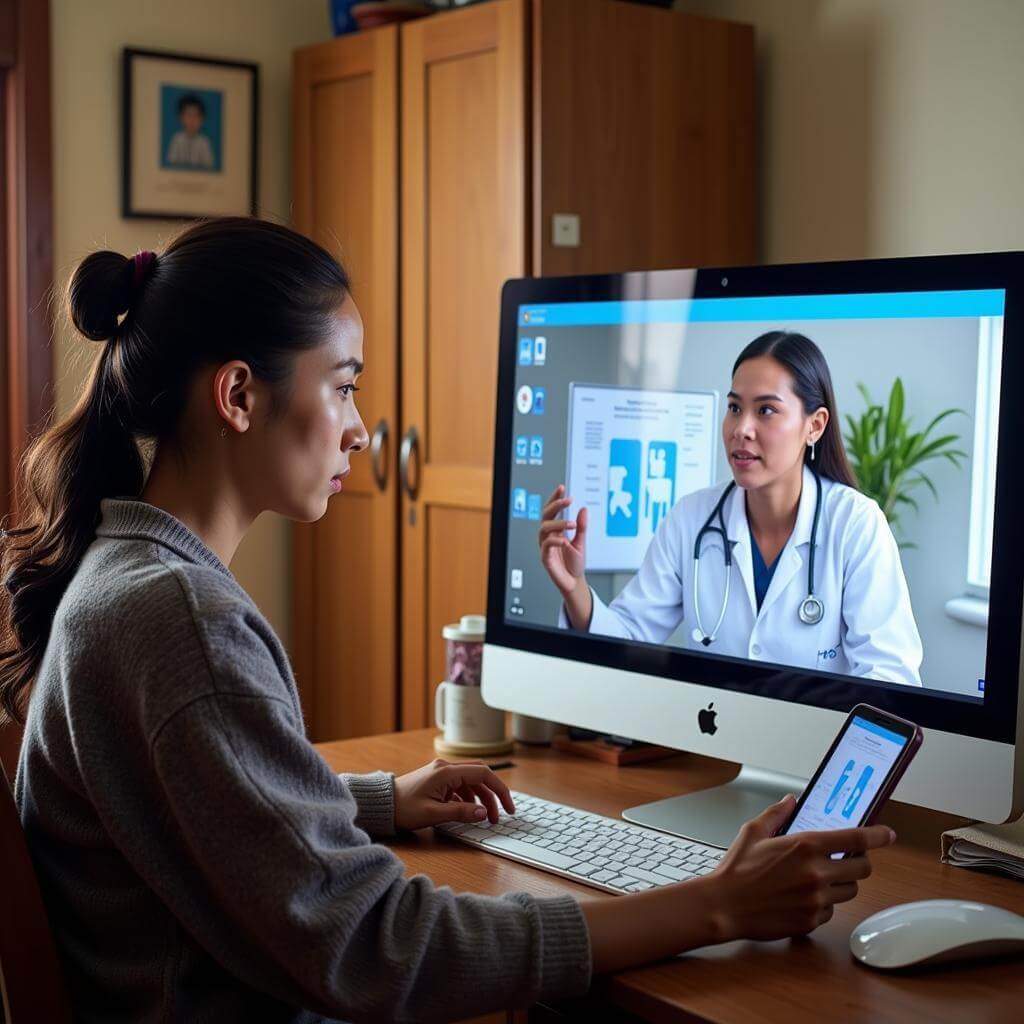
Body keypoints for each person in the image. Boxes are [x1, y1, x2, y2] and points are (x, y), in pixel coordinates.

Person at [1, 219, 894, 1022]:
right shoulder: (180, 619)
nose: (360, 430)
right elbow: (379, 949)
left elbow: (197, 800)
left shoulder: (126, 577)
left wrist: (376, 799)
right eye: (344, 388)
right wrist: (715, 906)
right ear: (239, 397)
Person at [540, 332, 924, 686]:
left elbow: (890, 677)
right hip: (710, 745)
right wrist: (576, 589)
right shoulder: (692, 518)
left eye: (766, 411)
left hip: (813, 754)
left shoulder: (856, 524)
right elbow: (630, 637)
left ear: (815, 426)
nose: (742, 429)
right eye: (735, 408)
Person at [165, 93, 215, 169]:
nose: (192, 120)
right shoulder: (176, 139)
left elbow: (209, 167)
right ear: (181, 117)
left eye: (196, 115)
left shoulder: (204, 142)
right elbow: (170, 165)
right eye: (188, 115)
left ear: (201, 119)